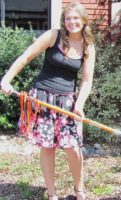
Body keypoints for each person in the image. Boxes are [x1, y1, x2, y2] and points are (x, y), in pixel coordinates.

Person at [0, 2, 95, 200]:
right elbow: (26, 57)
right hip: (42, 99)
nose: (72, 22)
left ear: (84, 20)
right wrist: (6, 79)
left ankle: (79, 191)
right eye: (69, 18)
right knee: (48, 147)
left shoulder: (88, 46)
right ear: (64, 20)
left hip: (68, 103)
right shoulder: (54, 35)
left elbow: (86, 82)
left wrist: (79, 105)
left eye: (76, 18)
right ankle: (52, 195)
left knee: (72, 147)